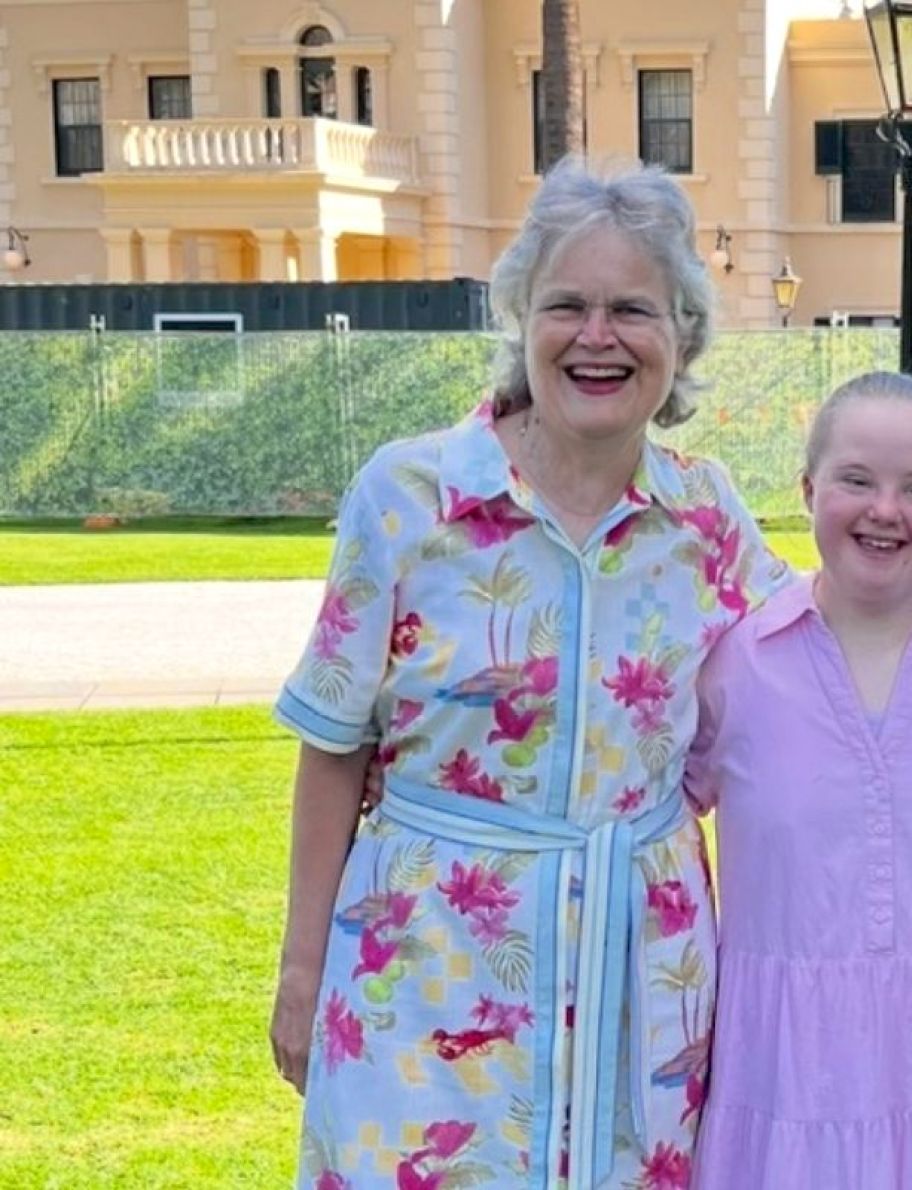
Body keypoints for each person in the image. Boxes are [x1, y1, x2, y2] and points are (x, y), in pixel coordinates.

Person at [267, 158, 788, 1189]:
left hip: (648, 981)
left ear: (681, 333)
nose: (598, 335)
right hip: (423, 973)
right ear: (522, 320)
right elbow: (334, 744)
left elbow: (797, 699)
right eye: (568, 305)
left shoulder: (707, 517)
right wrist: (300, 965)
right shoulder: (408, 494)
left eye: (633, 308)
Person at [685, 372, 912, 1189]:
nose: (884, 510)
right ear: (808, 489)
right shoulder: (734, 662)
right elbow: (649, 819)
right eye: (856, 479)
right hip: (787, 1064)